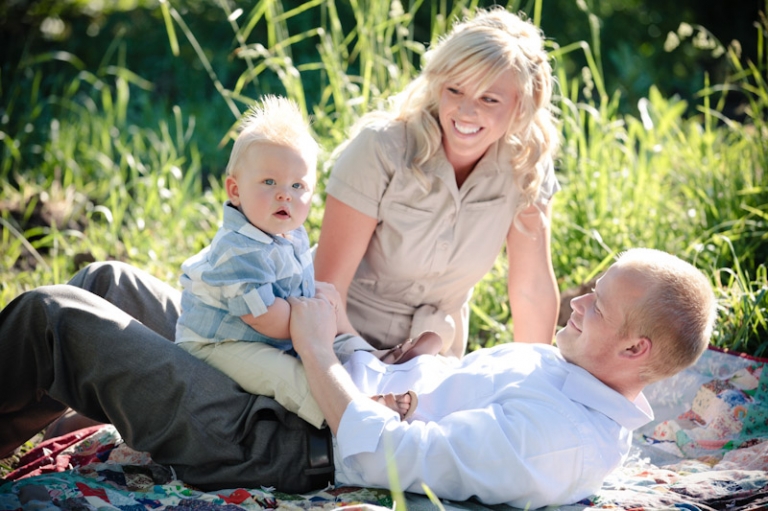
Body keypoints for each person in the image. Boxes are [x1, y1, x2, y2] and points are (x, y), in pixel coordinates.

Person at [0, 248, 717, 508]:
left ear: (635, 349)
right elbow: (406, 387)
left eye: (599, 303)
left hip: (287, 446)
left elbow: (390, 459)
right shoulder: (558, 365)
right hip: (309, 391)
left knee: (51, 318)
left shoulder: (559, 441)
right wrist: (335, 335)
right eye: (590, 285)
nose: (578, 299)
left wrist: (314, 354)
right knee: (111, 281)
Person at [174, 95, 440, 425]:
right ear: (235, 190)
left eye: (297, 185)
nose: (284, 194)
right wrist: (316, 325)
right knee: (289, 374)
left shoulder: (288, 231)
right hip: (222, 343)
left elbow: (301, 292)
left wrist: (324, 312)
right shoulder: (238, 249)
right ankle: (348, 413)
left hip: (273, 323)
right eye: (269, 182)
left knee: (328, 299)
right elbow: (264, 318)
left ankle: (372, 361)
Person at [314, 7, 561, 357]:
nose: (465, 111)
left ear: (522, 103)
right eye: (455, 90)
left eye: (489, 99)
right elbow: (326, 289)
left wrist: (534, 387)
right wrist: (370, 368)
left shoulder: (527, 166)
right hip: (341, 334)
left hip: (437, 349)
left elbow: (531, 289)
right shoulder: (380, 149)